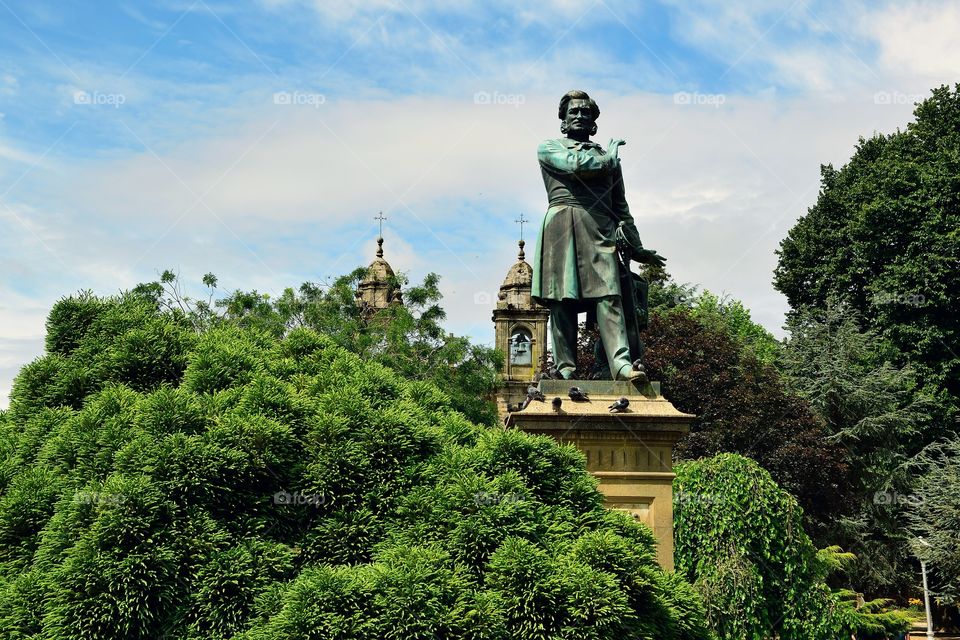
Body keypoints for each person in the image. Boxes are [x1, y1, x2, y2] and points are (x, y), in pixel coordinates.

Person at [531, 90, 665, 381]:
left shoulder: (607, 158)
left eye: (586, 113)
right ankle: (566, 369)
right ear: (563, 121)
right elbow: (574, 166)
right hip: (562, 225)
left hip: (600, 230)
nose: (580, 116)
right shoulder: (549, 147)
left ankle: (621, 365)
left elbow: (621, 206)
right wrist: (609, 159)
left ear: (593, 123)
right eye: (574, 112)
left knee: (610, 295)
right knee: (561, 301)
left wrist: (638, 247)